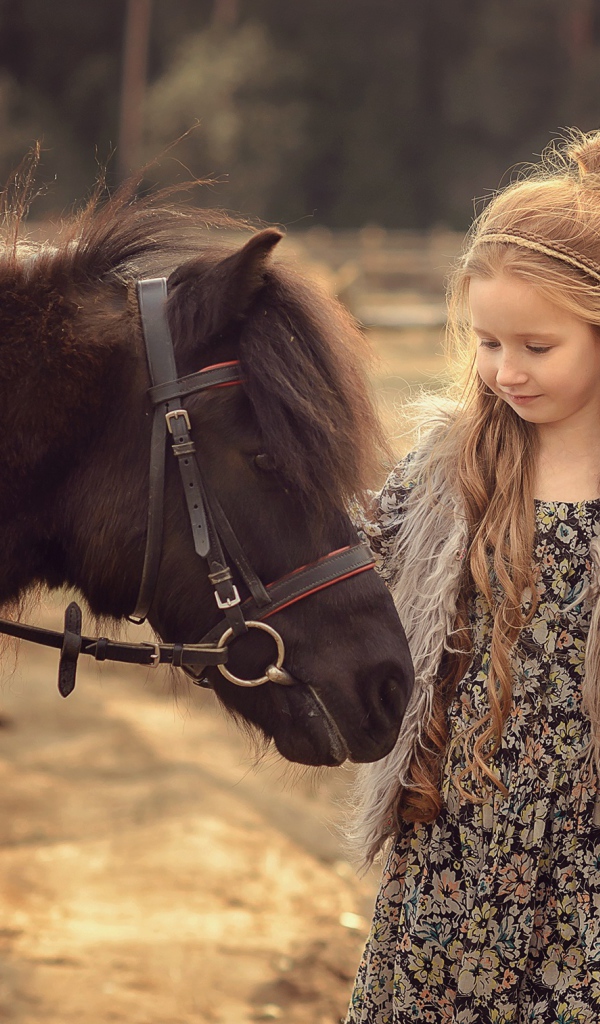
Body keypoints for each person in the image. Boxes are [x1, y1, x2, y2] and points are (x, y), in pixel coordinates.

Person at [345, 129, 600, 1023]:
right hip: (461, 836)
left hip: (588, 857)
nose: (506, 370)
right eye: (489, 342)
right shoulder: (458, 459)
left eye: (537, 345)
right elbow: (356, 556)